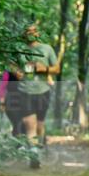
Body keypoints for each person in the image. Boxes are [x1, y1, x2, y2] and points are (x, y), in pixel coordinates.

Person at [12, 24, 61, 165]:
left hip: (43, 91)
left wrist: (44, 69)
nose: (30, 33)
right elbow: (10, 63)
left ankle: (37, 148)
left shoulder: (47, 48)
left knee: (40, 124)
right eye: (27, 31)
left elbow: (57, 68)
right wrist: (16, 70)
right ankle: (33, 153)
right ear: (24, 34)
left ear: (38, 33)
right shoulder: (19, 49)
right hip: (24, 90)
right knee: (29, 122)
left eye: (33, 31)